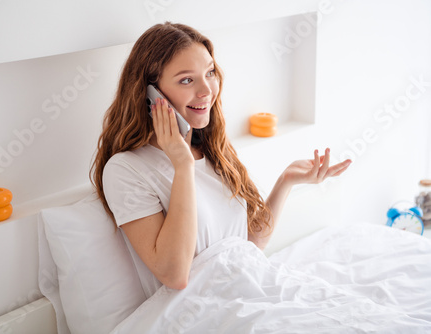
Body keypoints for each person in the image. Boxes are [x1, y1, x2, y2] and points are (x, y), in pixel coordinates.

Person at [90, 22, 351, 295]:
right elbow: (174, 274)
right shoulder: (126, 170)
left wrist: (286, 181)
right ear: (150, 95)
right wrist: (182, 165)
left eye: (210, 72)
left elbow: (246, 245)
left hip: (246, 290)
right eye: (186, 80)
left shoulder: (210, 147)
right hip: (198, 311)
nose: (206, 91)